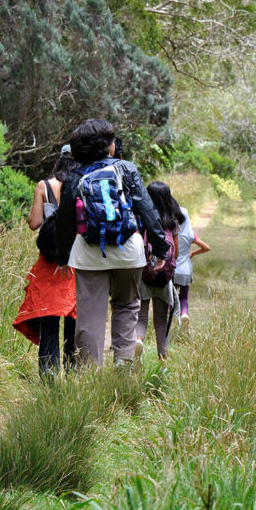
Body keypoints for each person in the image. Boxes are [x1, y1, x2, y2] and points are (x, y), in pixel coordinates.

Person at [60, 119, 169, 367]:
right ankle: (123, 366)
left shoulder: (75, 177)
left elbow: (65, 223)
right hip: (128, 251)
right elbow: (148, 211)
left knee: (89, 315)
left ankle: (89, 376)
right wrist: (161, 248)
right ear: (109, 146)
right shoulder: (126, 168)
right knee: (127, 305)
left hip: (88, 254)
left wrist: (61, 255)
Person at [12, 145, 78, 380]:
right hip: (76, 261)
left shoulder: (44, 186)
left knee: (49, 315)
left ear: (58, 161)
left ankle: (49, 371)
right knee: (74, 315)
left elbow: (33, 222)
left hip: (49, 263)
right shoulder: (82, 184)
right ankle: (73, 369)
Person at [134, 181, 188, 358]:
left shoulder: (141, 220)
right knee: (160, 321)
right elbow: (177, 252)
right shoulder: (172, 222)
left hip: (144, 275)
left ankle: (138, 340)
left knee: (141, 318)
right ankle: (163, 361)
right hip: (164, 278)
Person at [172, 196, 210, 328]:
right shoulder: (190, 235)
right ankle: (184, 314)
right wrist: (193, 253)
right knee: (184, 297)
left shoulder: (170, 233)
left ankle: (172, 319)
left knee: (170, 298)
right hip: (185, 271)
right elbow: (206, 247)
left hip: (172, 271)